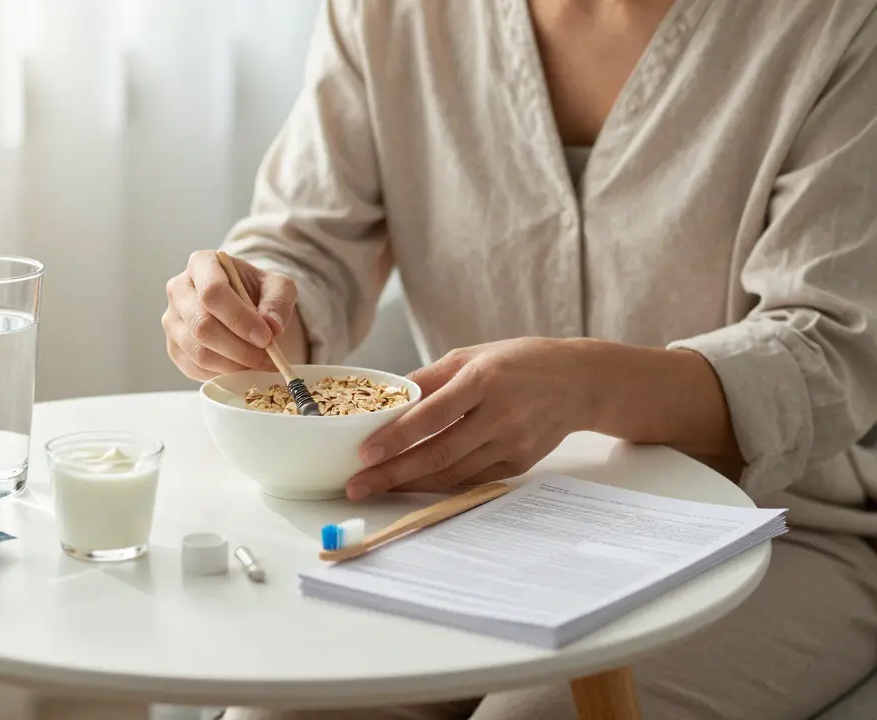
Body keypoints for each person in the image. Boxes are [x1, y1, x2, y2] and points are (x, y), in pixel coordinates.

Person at [161, 0, 877, 718]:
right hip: (460, 518)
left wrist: (589, 385)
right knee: (279, 708)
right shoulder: (386, 14)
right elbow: (305, 245)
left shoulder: (837, 24)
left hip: (776, 528)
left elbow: (833, 346)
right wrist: (248, 311)